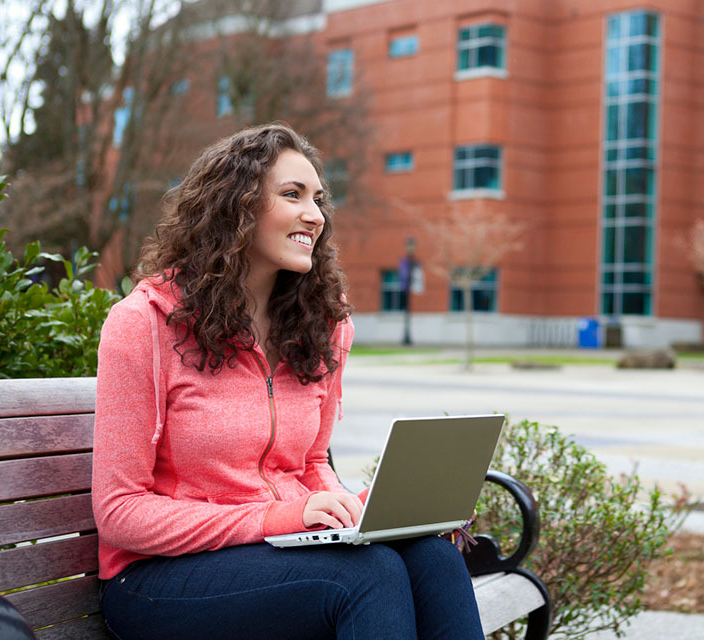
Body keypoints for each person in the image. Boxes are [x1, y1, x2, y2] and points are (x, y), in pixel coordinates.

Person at [92, 123, 484, 640]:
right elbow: (120, 513)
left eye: (318, 199)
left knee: (433, 557)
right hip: (157, 578)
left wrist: (359, 511)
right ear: (235, 206)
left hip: (276, 553)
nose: (315, 215)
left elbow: (312, 464)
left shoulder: (323, 325)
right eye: (292, 195)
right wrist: (279, 517)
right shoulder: (144, 322)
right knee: (367, 577)